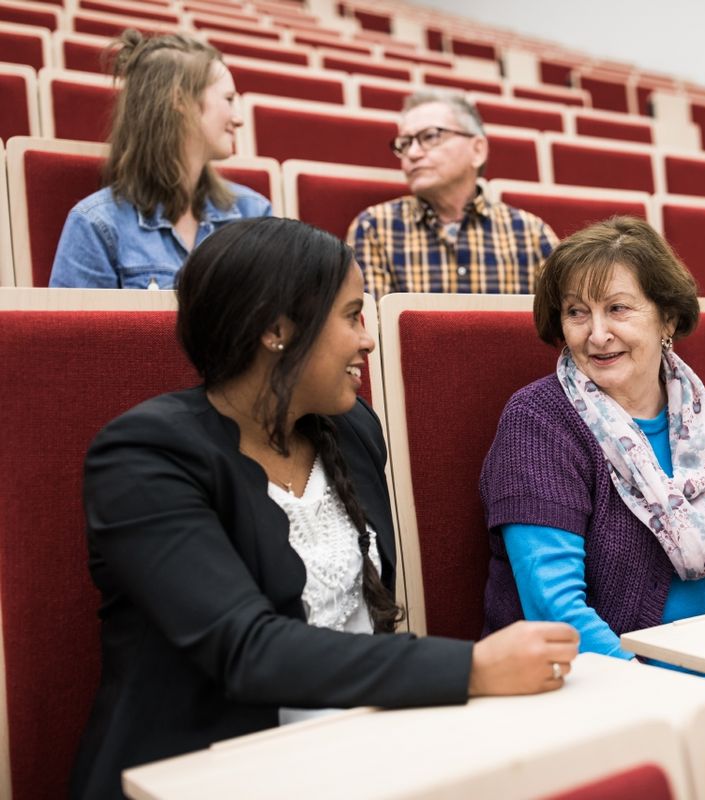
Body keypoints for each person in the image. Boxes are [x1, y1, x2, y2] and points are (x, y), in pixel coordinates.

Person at [71, 218, 579, 799]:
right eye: (351, 314)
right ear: (277, 329)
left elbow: (364, 618)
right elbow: (246, 650)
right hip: (210, 767)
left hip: (361, 746)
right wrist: (472, 669)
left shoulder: (352, 428)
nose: (368, 338)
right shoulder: (143, 456)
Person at [480, 216, 705, 662]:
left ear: (668, 318)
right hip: (605, 685)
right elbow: (559, 614)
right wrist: (662, 691)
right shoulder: (538, 423)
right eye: (576, 312)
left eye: (618, 309)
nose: (597, 334)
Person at [50, 31, 271, 289]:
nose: (239, 118)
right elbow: (79, 331)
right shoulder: (97, 224)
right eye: (229, 100)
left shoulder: (254, 213)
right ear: (180, 100)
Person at [348, 89, 558, 297]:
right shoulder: (374, 227)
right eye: (405, 143)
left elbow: (560, 324)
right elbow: (373, 329)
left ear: (477, 150)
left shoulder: (531, 234)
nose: (412, 154)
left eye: (430, 136)